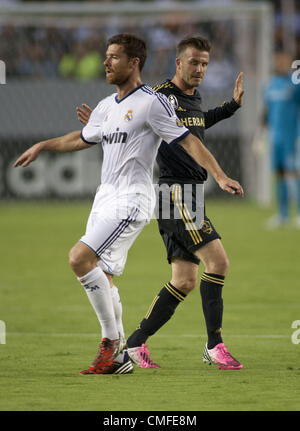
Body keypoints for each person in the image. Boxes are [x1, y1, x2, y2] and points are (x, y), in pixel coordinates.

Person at [14, 34, 244, 375]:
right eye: (194, 62)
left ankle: (136, 344)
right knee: (203, 269)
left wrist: (231, 110)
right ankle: (179, 345)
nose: (200, 69)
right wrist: (48, 143)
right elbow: (151, 125)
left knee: (188, 275)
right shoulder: (156, 97)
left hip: (165, 195)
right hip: (173, 193)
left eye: (205, 64)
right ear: (178, 62)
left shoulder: (184, 100)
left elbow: (192, 128)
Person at [263, 51, 300, 229]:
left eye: (283, 61)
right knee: (279, 174)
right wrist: (260, 132)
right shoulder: (270, 86)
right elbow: (266, 111)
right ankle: (283, 214)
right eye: (277, 60)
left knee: (294, 174)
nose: (279, 64)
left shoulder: (294, 85)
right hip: (275, 137)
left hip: (292, 136)